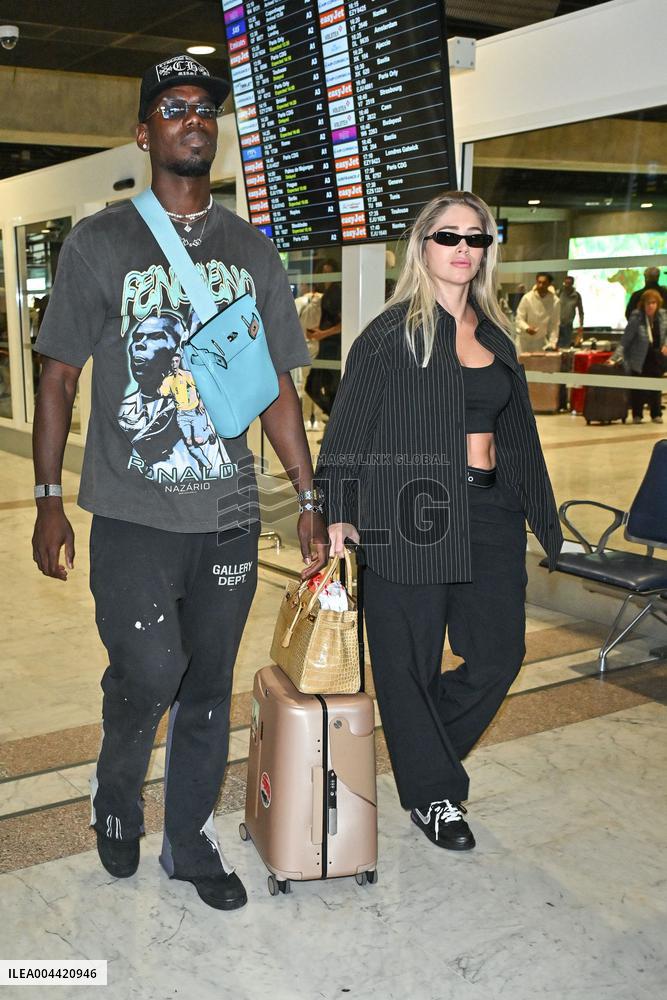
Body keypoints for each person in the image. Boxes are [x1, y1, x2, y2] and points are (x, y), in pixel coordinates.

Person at [30, 54, 328, 911]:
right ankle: (115, 791)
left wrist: (306, 500)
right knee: (148, 669)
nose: (192, 117)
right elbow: (57, 377)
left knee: (206, 684)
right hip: (131, 508)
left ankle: (189, 839)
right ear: (145, 132)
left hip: (229, 509)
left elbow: (275, 388)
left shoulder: (251, 250)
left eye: (205, 107)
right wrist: (49, 500)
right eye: (172, 106)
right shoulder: (102, 242)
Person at [316, 190, 562, 851]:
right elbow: (345, 433)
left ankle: (420, 755)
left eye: (475, 238)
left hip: (488, 511)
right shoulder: (388, 334)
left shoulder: (492, 331)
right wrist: (335, 514)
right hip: (408, 510)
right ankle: (432, 795)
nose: (462, 249)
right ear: (421, 246)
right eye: (448, 236)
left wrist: (530, 501)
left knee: (498, 655)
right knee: (407, 665)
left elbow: (513, 430)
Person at [611, 289, 667, 423]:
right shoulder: (637, 317)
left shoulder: (663, 316)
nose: (651, 306)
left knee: (655, 386)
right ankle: (637, 414)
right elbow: (626, 340)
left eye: (653, 303)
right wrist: (614, 358)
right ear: (643, 304)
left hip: (656, 356)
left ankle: (656, 414)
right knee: (638, 387)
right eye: (648, 303)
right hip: (639, 357)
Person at [304, 259, 342, 416]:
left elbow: (344, 322)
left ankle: (336, 420)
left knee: (322, 388)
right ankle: (335, 421)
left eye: (329, 272)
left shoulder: (336, 291)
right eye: (323, 272)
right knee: (318, 387)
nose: (326, 276)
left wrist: (322, 334)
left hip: (333, 348)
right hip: (327, 347)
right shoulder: (329, 292)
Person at [515, 272, 560, 352]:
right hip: (523, 341)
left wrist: (552, 343)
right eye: (539, 282)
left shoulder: (555, 301)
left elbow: (554, 324)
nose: (541, 285)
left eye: (544, 283)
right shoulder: (527, 298)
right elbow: (519, 318)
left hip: (540, 342)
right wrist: (527, 328)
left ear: (549, 284)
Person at [558, 275, 584, 348]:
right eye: (566, 283)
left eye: (569, 283)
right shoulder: (559, 293)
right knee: (556, 344)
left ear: (572, 284)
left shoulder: (576, 295)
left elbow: (581, 311)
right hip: (557, 323)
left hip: (568, 324)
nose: (567, 285)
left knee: (565, 345)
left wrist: (581, 325)